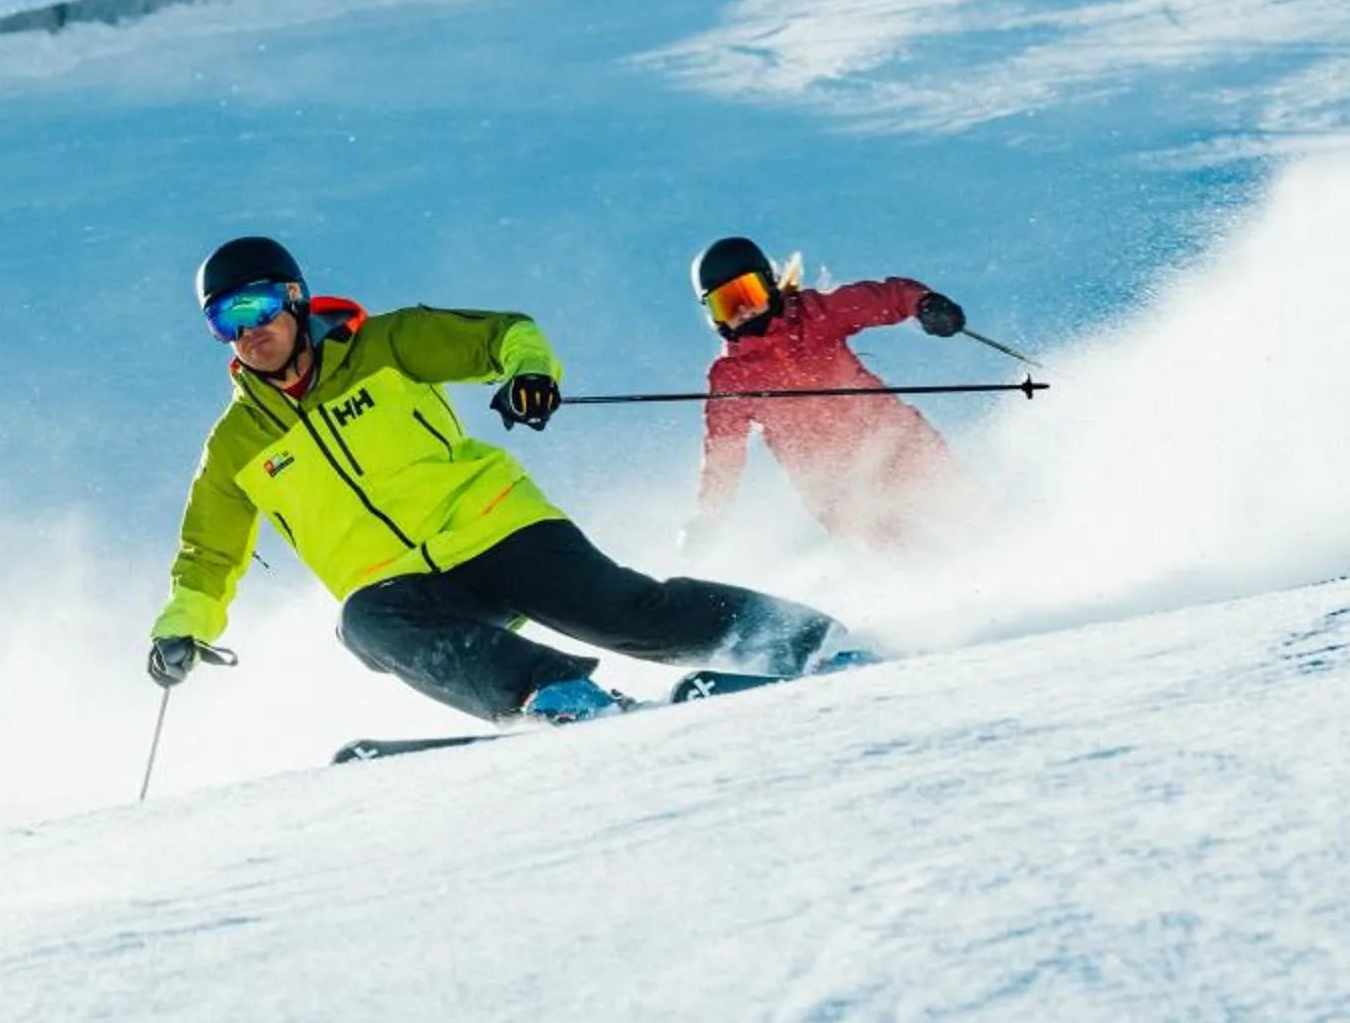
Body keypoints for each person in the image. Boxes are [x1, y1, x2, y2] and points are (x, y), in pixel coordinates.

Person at [147, 236, 861, 725]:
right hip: (406, 586)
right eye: (224, 319)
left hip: (499, 529)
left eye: (257, 307)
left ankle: (808, 640)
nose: (247, 331)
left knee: (626, 613)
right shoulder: (237, 445)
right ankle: (553, 693)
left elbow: (505, 336)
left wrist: (530, 376)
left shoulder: (387, 346)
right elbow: (207, 558)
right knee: (362, 623)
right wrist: (180, 630)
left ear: (296, 299)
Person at [687, 236, 976, 557]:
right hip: (833, 486)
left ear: (768, 284)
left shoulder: (813, 314)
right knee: (903, 546)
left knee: (963, 512)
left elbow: (882, 299)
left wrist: (922, 303)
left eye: (748, 293)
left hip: (894, 442)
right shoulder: (732, 376)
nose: (742, 311)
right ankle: (944, 586)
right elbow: (724, 453)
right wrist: (709, 515)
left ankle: (1001, 550)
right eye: (726, 304)